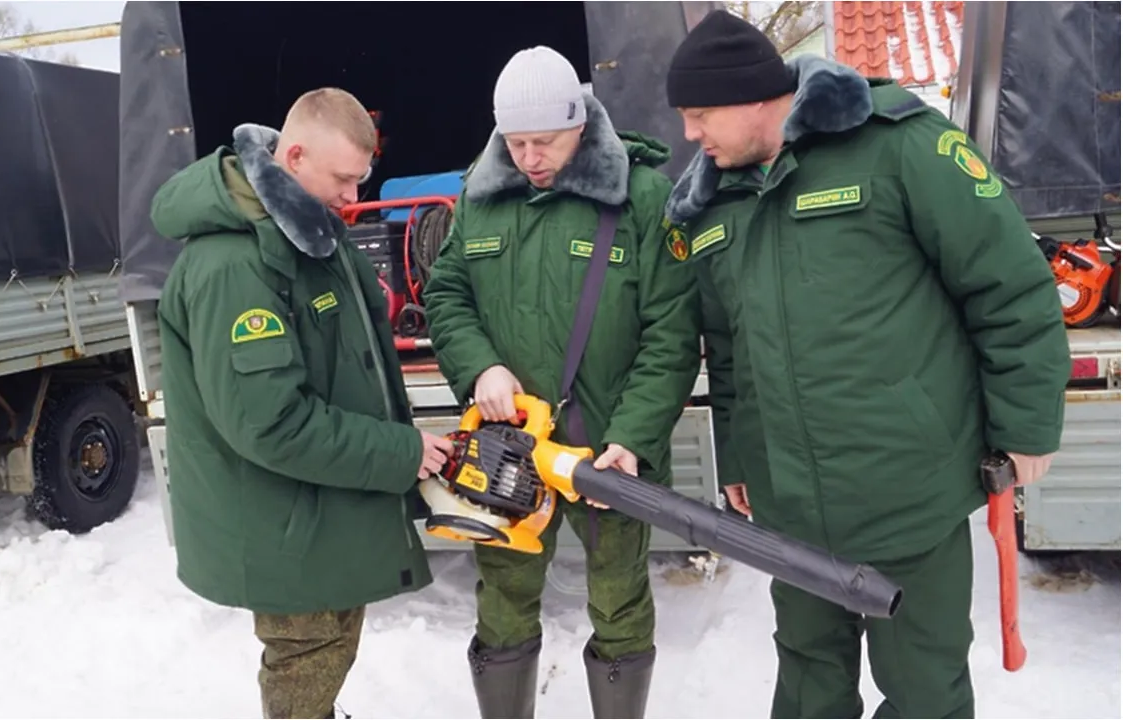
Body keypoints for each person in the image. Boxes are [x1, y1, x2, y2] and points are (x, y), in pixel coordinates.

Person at [661, 10, 1072, 719]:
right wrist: (739, 460)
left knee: (922, 692)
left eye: (701, 115)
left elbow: (1009, 288)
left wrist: (1028, 426)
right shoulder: (714, 205)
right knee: (808, 683)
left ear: (758, 97)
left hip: (907, 494)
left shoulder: (900, 148)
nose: (690, 135)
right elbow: (729, 353)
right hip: (791, 508)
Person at [151, 87, 457, 720]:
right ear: (293, 155)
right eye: (344, 180)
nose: (354, 198)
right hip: (280, 521)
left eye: (360, 180)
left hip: (312, 507)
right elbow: (271, 424)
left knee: (327, 653)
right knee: (306, 658)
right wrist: (399, 452)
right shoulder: (235, 265)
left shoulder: (307, 228)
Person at [422, 46, 702, 719]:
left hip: (608, 456)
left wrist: (632, 437)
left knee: (619, 598)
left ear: (580, 123)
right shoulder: (478, 196)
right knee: (503, 601)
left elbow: (671, 332)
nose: (528, 157)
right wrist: (479, 366)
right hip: (507, 454)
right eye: (514, 143)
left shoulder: (641, 197)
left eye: (543, 141)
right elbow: (447, 296)